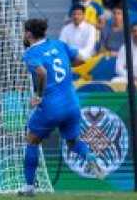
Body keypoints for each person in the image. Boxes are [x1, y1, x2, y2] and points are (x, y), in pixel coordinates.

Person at [19, 18, 103, 196]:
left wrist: (39, 96)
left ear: (28, 33)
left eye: (23, 31)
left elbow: (41, 72)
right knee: (73, 142)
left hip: (51, 106)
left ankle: (28, 187)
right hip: (72, 103)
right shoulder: (59, 44)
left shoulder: (30, 53)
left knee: (32, 140)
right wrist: (64, 63)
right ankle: (90, 156)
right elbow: (80, 60)